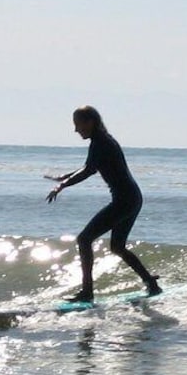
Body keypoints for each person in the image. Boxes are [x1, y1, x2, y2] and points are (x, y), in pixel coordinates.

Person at [46, 105, 162, 302]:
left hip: (125, 201)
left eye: (78, 125)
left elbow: (89, 170)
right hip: (131, 199)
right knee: (117, 247)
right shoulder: (102, 141)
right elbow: (89, 166)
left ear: (90, 122)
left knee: (84, 240)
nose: (76, 130)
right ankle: (151, 283)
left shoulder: (102, 143)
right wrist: (65, 177)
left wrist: (62, 186)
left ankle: (87, 293)